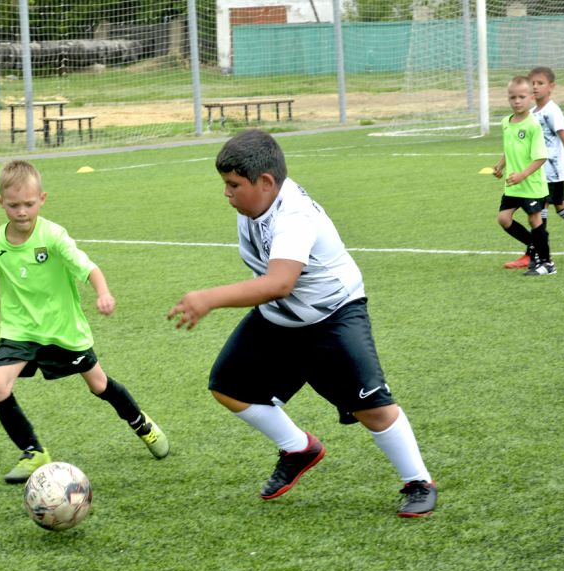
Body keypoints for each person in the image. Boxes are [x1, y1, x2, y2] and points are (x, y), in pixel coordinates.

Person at [167, 129, 436, 517]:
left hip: (333, 316)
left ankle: (419, 482)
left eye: (233, 185)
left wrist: (209, 298)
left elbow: (279, 283)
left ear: (265, 182)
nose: (226, 193)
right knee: (228, 387)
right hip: (279, 317)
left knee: (373, 411)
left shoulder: (295, 215)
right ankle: (299, 448)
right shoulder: (255, 206)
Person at [0, 160, 169, 484]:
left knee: (99, 385)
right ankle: (34, 452)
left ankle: (141, 423)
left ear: (42, 199)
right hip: (20, 331)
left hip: (63, 330)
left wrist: (103, 292)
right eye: (13, 205)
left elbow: (88, 267)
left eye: (29, 204)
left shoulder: (53, 236)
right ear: (0, 202)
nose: (22, 212)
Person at [503, 66, 564, 268]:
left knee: (544, 211)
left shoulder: (552, 111)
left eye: (540, 83)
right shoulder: (531, 112)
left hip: (553, 171)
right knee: (552, 208)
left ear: (551, 87)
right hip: (539, 173)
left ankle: (537, 255)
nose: (535, 87)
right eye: (533, 83)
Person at [493, 75, 555, 276]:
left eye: (521, 97)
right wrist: (500, 165)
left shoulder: (533, 125)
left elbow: (541, 157)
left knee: (534, 220)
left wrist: (522, 175)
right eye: (513, 97)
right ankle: (534, 245)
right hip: (513, 185)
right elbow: (509, 149)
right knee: (503, 219)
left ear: (531, 98)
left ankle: (547, 264)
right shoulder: (506, 122)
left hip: (531, 184)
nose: (517, 101)